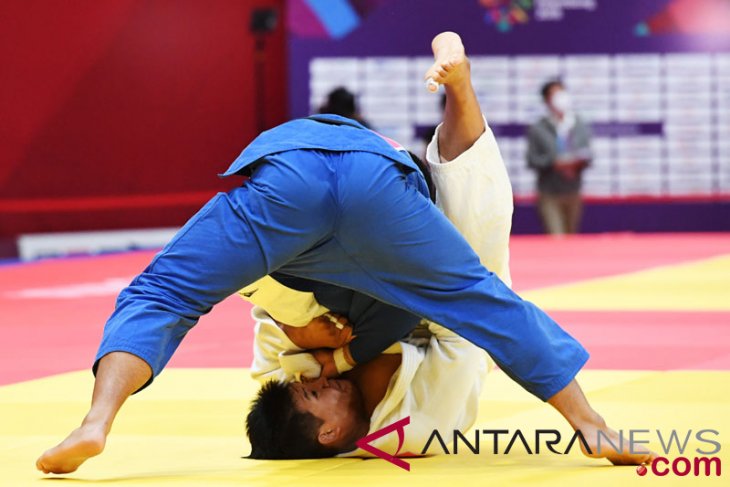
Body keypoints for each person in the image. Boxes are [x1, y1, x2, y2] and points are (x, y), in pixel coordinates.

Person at [36, 32, 650, 475]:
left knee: (162, 294)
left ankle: (98, 421)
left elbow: (261, 305)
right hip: (368, 187)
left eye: (305, 388)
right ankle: (590, 424)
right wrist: (343, 349)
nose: (316, 383)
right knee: (482, 292)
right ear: (331, 435)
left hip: (296, 187)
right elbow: (478, 323)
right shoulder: (415, 419)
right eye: (313, 394)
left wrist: (310, 339)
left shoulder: (281, 375)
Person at [526, 79, 593, 235]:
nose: (560, 98)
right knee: (556, 237)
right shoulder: (538, 128)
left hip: (573, 190)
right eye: (554, 94)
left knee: (571, 238)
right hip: (549, 193)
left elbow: (588, 154)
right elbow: (532, 160)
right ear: (546, 100)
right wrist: (553, 163)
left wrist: (575, 164)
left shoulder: (578, 124)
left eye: (561, 92)